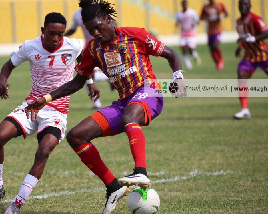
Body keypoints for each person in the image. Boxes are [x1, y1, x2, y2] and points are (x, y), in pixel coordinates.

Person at [26, 0, 185, 213]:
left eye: (99, 27)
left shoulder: (135, 34)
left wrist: (178, 77)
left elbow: (171, 54)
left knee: (130, 116)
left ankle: (141, 172)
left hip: (149, 91)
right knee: (76, 136)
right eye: (91, 30)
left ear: (109, 20)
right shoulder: (93, 49)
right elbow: (77, 82)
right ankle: (113, 187)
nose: (96, 33)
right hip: (124, 102)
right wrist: (46, 98)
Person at [0, 12, 97, 213]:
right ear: (43, 31)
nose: (56, 38)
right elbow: (8, 65)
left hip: (57, 110)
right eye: (51, 33)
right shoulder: (30, 46)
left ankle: (16, 204)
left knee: (44, 150)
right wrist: (2, 81)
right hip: (32, 105)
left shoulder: (73, 45)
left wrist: (90, 83)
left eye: (60, 34)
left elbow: (85, 64)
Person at [65, 8, 113, 109]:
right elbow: (73, 29)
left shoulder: (99, 10)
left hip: (103, 46)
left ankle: (148, 94)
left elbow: (113, 24)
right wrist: (62, 35)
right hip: (89, 48)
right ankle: (97, 103)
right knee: (86, 75)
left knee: (87, 75)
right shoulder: (77, 14)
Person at [233, 0, 268, 119]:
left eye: (245, 4)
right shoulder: (238, 22)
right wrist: (240, 47)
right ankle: (245, 110)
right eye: (240, 5)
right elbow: (244, 37)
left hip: (264, 56)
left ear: (250, 6)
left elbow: (266, 34)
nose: (243, 7)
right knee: (241, 76)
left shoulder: (255, 18)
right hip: (249, 57)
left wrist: (255, 38)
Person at [200, 0, 228, 70]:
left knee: (215, 45)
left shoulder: (219, 5)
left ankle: (221, 60)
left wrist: (222, 17)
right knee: (211, 48)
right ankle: (217, 62)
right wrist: (207, 18)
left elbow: (226, 13)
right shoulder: (206, 7)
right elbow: (201, 17)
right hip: (210, 30)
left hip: (217, 29)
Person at [175, 0, 201, 70]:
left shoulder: (192, 13)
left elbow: (197, 21)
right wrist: (177, 23)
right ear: (181, 5)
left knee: (190, 49)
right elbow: (176, 23)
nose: (184, 5)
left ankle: (195, 56)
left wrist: (195, 23)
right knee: (183, 49)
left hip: (191, 34)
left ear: (187, 4)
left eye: (185, 4)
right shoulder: (179, 14)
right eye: (183, 4)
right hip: (183, 35)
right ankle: (188, 64)